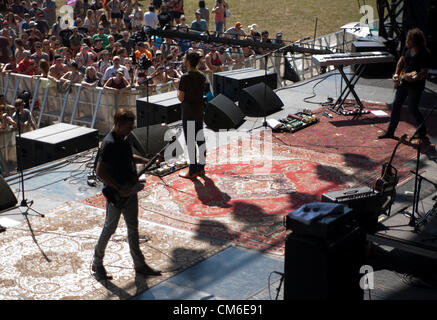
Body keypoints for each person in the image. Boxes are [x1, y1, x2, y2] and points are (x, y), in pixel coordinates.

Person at [92, 108, 161, 279]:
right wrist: (118, 187)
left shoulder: (123, 139)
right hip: (116, 195)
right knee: (109, 228)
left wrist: (147, 161)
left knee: (133, 227)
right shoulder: (108, 144)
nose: (131, 130)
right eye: (129, 127)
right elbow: (100, 172)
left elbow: (129, 157)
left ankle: (139, 264)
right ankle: (97, 263)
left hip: (129, 189)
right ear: (119, 124)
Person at [378, 28, 431, 142]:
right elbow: (401, 61)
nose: (407, 41)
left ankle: (422, 131)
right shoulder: (407, 48)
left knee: (412, 108)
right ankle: (390, 131)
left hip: (416, 86)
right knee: (396, 105)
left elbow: (424, 72)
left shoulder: (424, 53)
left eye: (409, 39)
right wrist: (396, 74)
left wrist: (414, 78)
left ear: (415, 41)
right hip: (403, 82)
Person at [177, 50, 207, 179]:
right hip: (199, 111)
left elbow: (181, 98)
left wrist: (178, 91)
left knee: (190, 142)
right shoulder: (201, 76)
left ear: (188, 62)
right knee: (200, 139)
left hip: (188, 113)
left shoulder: (185, 77)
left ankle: (192, 170)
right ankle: (201, 168)